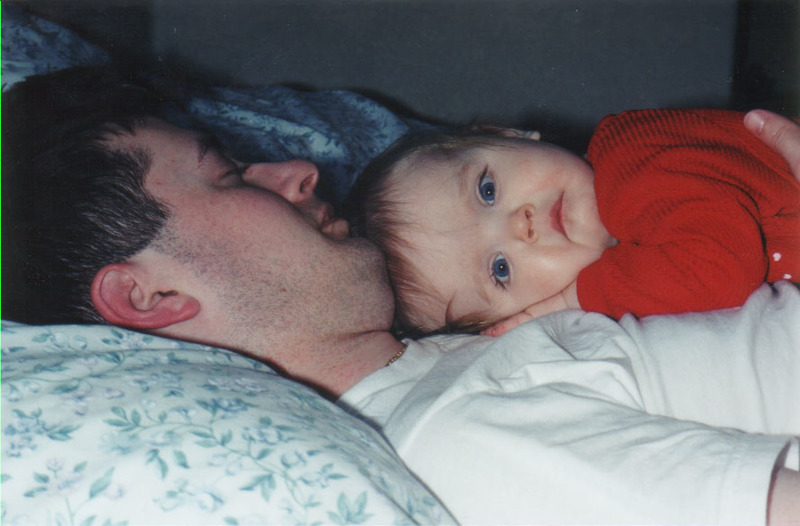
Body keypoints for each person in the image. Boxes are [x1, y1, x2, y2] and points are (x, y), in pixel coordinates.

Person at [3, 67, 799, 524]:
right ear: (148, 298)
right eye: (228, 174)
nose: (297, 171)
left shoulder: (470, 349)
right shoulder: (457, 438)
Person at [347, 109, 800, 336]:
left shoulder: (628, 163)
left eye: (487, 190)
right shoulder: (633, 262)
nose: (520, 225)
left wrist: (574, 297)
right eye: (500, 268)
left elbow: (717, 269)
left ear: (505, 135)